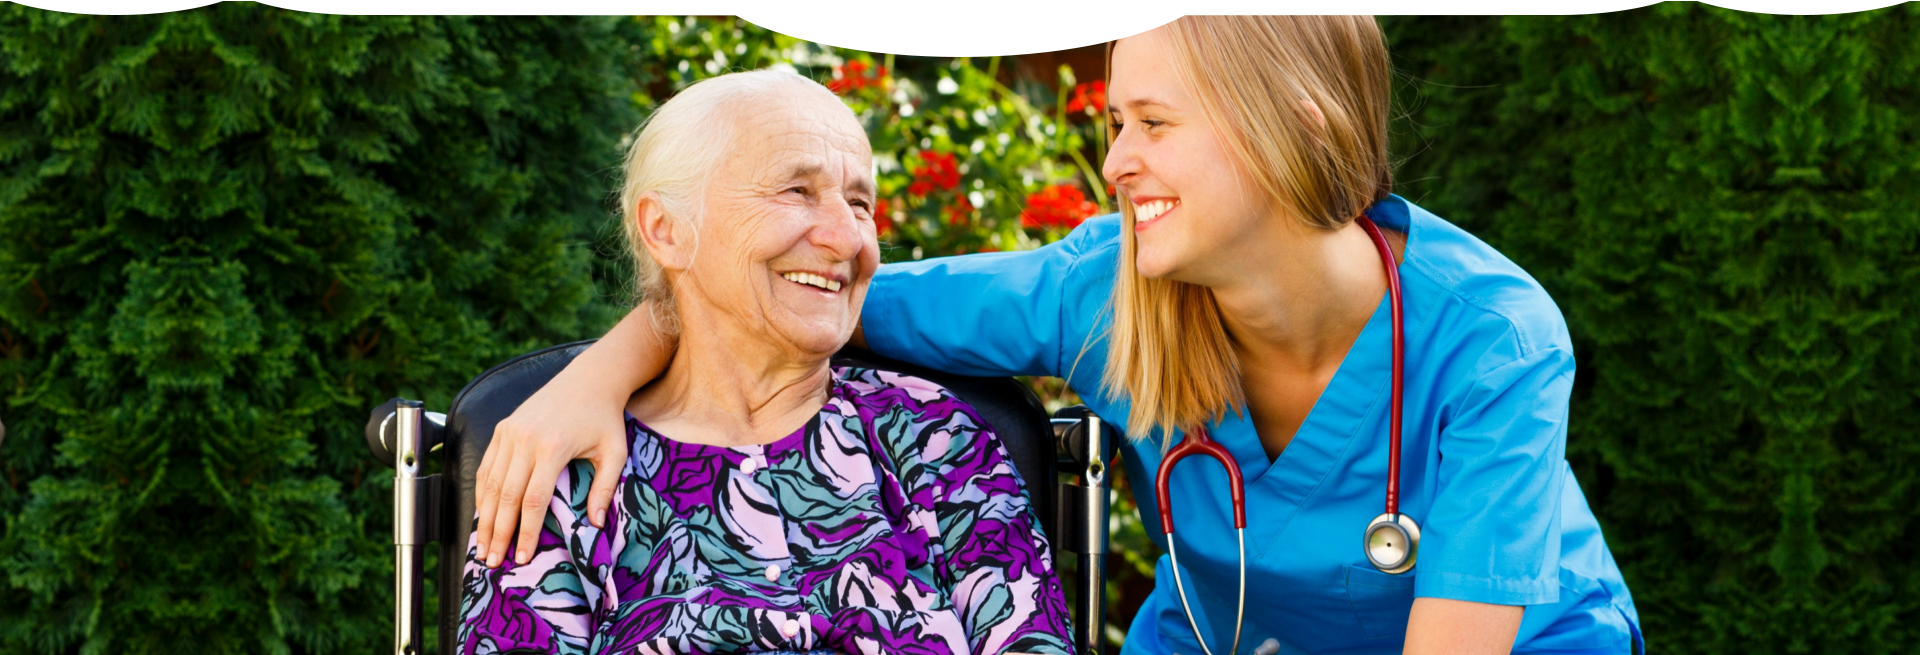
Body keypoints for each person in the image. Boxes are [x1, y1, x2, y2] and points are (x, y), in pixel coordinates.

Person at [473, 17, 1643, 655]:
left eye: (1151, 123)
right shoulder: (1103, 288)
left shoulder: (1494, 337)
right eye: (1114, 120)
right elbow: (802, 289)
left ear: (1297, 123)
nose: (1116, 159)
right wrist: (597, 371)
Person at [457, 69, 1073, 655]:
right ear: (666, 230)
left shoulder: (932, 439)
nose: (848, 237)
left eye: (860, 204)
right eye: (796, 191)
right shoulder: (565, 476)